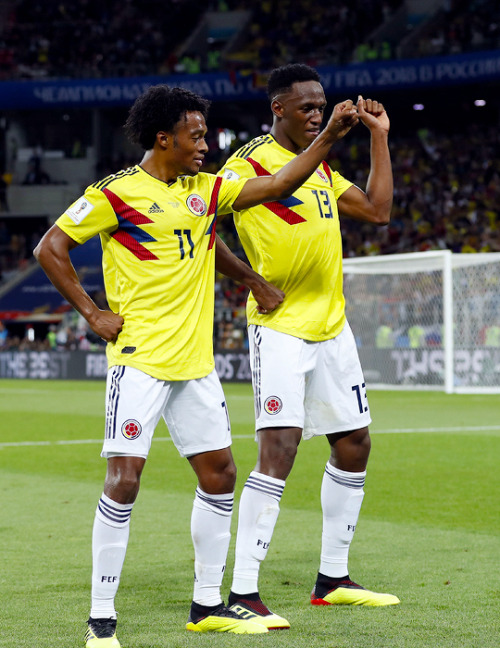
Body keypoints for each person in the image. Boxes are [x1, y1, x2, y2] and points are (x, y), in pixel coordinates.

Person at [33, 84, 360, 646]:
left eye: (206, 134)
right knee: (124, 481)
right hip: (139, 362)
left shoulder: (205, 191)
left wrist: (328, 137)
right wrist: (92, 312)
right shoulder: (116, 194)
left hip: (196, 368)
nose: (206, 144)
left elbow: (279, 183)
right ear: (164, 139)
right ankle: (101, 618)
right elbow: (49, 248)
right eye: (196, 135)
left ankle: (208, 603)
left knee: (220, 476)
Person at [218, 63, 400, 630]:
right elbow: (200, 228)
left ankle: (333, 579)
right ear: (278, 109)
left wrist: (378, 137)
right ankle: (243, 591)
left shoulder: (323, 167)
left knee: (354, 444)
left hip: (332, 328)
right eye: (306, 106)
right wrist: (249, 278)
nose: (317, 113)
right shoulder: (246, 163)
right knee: (280, 447)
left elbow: (378, 210)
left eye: (321, 105)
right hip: (279, 329)